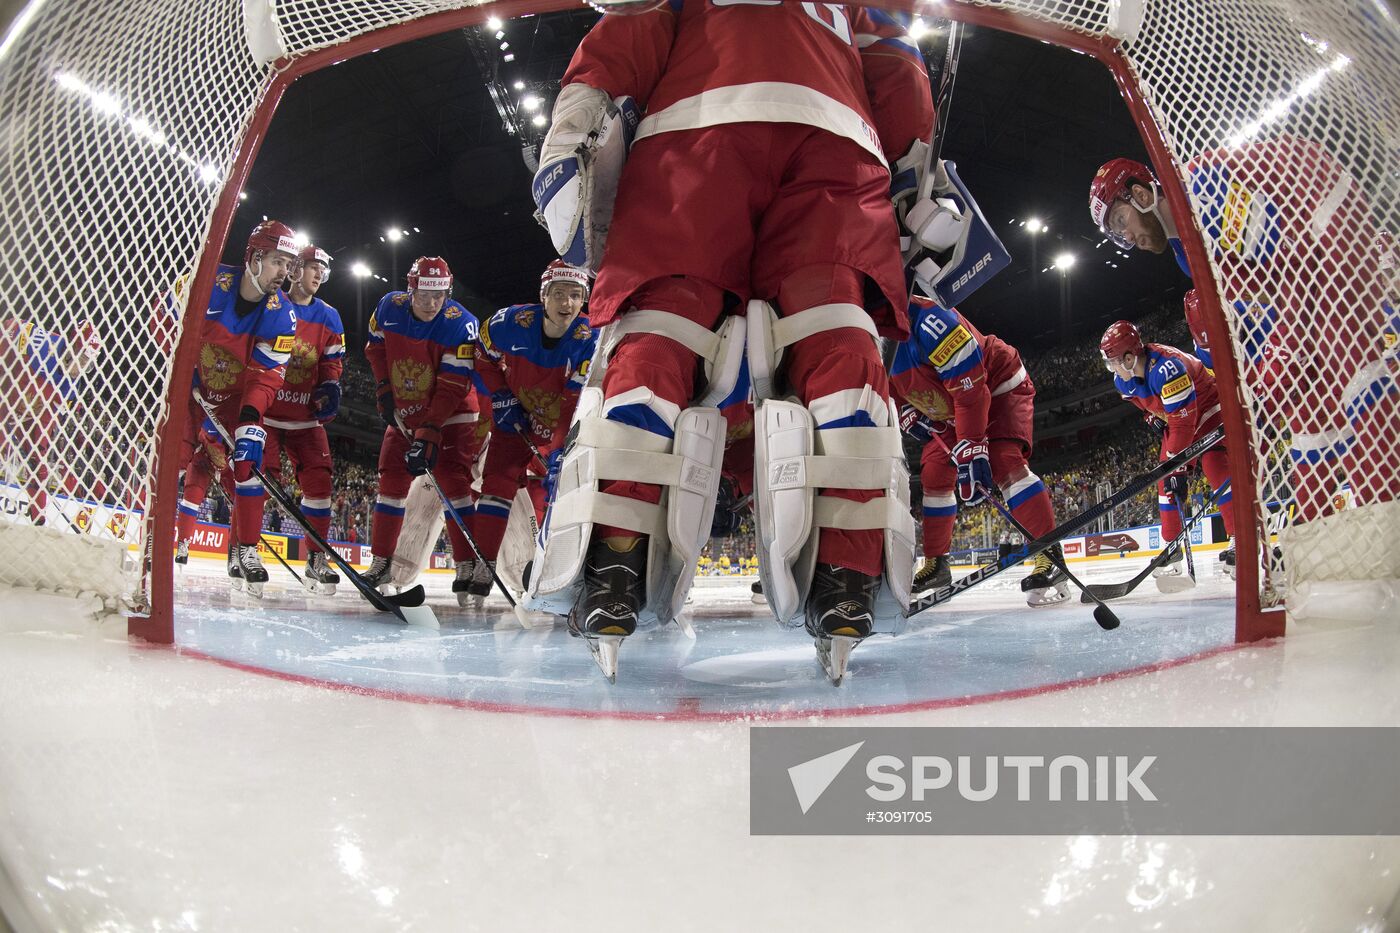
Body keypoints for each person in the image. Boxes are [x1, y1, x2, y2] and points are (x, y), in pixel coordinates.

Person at [530, 1, 933, 682]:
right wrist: (917, 169)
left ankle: (615, 564)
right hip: (838, 135)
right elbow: (896, 67)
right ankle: (847, 570)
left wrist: (570, 129)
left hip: (695, 125)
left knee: (665, 328)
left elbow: (631, 30)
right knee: (835, 332)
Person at [1089, 143, 1397, 528]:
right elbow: (1263, 298)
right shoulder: (1186, 252)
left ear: (1139, 193)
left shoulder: (1200, 192)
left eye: (1120, 221)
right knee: (1307, 414)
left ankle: (1385, 516)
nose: (1126, 237)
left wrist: (1283, 351)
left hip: (1327, 226)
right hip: (1307, 277)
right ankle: (1318, 529)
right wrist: (1267, 369)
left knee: (1354, 374)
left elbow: (1295, 266)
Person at [891, 298, 1068, 605]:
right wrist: (906, 409)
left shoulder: (930, 319)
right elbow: (886, 386)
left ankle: (1048, 553)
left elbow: (970, 386)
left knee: (1003, 462)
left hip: (996, 383)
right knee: (934, 472)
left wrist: (973, 444)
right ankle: (936, 564)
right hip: (948, 403)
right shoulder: (864, 333)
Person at [181, 219, 298, 595]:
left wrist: (250, 419)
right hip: (189, 391)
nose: (285, 272)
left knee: (251, 458)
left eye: (288, 264)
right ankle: (157, 536)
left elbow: (266, 376)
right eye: (278, 261)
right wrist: (182, 369)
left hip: (234, 401)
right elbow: (163, 323)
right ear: (255, 257)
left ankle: (245, 549)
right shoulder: (207, 282)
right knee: (169, 459)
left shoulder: (282, 314)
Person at [471, 260, 596, 599]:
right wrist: (500, 395)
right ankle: (483, 565)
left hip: (560, 425)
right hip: (517, 417)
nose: (567, 304)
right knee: (496, 484)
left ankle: (556, 572)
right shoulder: (510, 322)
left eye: (575, 295)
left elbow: (572, 403)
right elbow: (481, 355)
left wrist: (558, 452)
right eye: (558, 294)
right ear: (543, 296)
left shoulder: (591, 338)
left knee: (557, 496)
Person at [361, 256, 483, 598]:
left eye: (439, 295)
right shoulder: (388, 307)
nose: (432, 303)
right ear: (410, 289)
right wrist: (385, 391)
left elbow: (453, 385)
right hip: (408, 411)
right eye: (425, 295)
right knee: (391, 479)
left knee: (453, 482)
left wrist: (429, 430)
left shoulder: (461, 323)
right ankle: (381, 560)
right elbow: (375, 350)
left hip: (453, 413)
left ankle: (467, 562)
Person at [1100, 319, 1236, 583]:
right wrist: (1151, 418)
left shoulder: (1167, 367)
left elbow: (1184, 421)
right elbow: (1145, 403)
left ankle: (1241, 537)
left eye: (1114, 361)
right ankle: (1171, 545)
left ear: (1129, 358)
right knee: (1166, 481)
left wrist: (1180, 467)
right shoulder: (1122, 380)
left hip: (1208, 409)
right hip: (1179, 417)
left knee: (1214, 465)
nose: (1112, 368)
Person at [260, 244, 345, 594]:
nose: (318, 275)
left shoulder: (329, 316)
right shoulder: (272, 303)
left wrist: (330, 385)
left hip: (305, 418)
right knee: (254, 480)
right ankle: (242, 550)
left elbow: (332, 362)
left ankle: (315, 559)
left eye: (323, 270)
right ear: (295, 270)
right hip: (265, 411)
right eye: (313, 267)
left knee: (321, 485)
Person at [2, 317, 101, 525]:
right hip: (7, 391)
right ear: (72, 349)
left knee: (39, 458)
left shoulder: (71, 386)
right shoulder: (40, 344)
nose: (82, 368)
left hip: (28, 409)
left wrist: (37, 450)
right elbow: (11, 326)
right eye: (83, 360)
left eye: (88, 365)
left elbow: (47, 422)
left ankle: (39, 518)